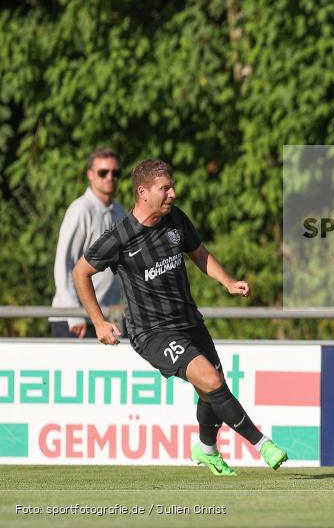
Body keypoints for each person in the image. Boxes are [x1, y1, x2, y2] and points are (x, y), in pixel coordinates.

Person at [72, 159, 287, 476]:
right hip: (152, 333)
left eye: (172, 186)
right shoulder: (119, 237)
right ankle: (263, 444)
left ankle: (207, 450)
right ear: (143, 193)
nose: (173, 193)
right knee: (212, 381)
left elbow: (199, 253)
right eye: (165, 188)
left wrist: (227, 281)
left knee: (212, 388)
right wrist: (99, 321)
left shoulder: (175, 220)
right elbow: (81, 272)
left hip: (189, 321)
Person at [50, 148, 125, 338]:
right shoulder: (80, 210)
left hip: (107, 319)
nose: (110, 177)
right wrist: (73, 313)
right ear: (90, 174)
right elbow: (63, 264)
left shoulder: (120, 212)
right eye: (103, 172)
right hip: (75, 322)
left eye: (115, 173)